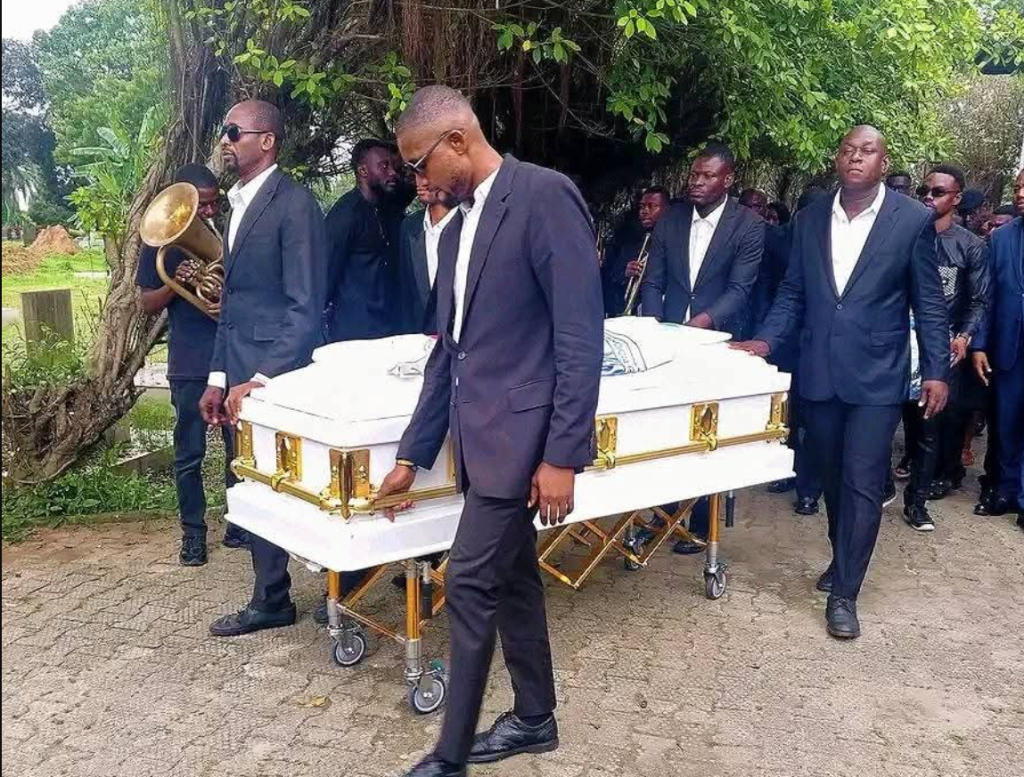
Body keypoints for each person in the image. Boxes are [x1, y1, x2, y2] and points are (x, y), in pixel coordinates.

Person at [376, 85, 603, 777]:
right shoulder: (454, 229)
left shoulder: (544, 196)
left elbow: (579, 337)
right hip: (480, 446)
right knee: (512, 580)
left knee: (470, 583)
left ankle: (450, 756)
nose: (417, 180)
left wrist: (563, 454)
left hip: (526, 444)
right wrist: (412, 456)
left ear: (457, 140)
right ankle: (534, 717)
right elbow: (448, 354)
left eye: (420, 164)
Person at [732, 126, 949, 639]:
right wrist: (764, 341)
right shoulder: (809, 219)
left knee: (861, 481)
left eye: (867, 151)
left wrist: (936, 371)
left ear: (883, 162)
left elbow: (929, 302)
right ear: (837, 159)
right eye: (848, 150)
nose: (856, 157)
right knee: (830, 476)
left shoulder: (911, 220)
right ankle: (842, 555)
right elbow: (793, 293)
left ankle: (845, 594)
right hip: (820, 372)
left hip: (878, 375)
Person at [198, 100, 329, 637]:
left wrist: (262, 378)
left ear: (267, 140)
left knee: (297, 485)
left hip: (278, 379)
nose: (225, 141)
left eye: (234, 132)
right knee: (251, 486)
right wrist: (217, 377)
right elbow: (232, 305)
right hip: (238, 377)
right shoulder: (237, 205)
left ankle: (343, 587)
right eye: (225, 132)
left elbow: (306, 308)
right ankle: (271, 598)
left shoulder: (295, 204)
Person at [641, 143, 765, 550]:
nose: (696, 182)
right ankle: (661, 514)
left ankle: (699, 524)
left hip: (716, 340)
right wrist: (656, 327)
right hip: (666, 340)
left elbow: (740, 290)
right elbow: (653, 280)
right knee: (664, 428)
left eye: (707, 176)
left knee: (707, 433)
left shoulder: (748, 225)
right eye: (694, 174)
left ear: (727, 180)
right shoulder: (671, 219)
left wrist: (696, 328)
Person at [136, 164, 248, 565]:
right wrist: (177, 283)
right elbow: (146, 304)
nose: (210, 211)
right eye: (203, 205)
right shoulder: (159, 244)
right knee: (189, 455)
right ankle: (193, 535)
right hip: (189, 361)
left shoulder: (232, 232)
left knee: (240, 450)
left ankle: (240, 524)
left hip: (232, 357)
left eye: (215, 203)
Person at [898, 165, 990, 531]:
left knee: (929, 427)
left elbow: (979, 300)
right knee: (885, 420)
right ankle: (878, 488)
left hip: (939, 345)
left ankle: (917, 503)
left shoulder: (970, 246)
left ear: (956, 198)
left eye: (937, 192)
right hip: (895, 343)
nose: (928, 197)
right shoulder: (900, 234)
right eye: (924, 191)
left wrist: (964, 336)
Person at [972, 169, 1024, 531]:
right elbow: (987, 297)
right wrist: (978, 344)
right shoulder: (1002, 238)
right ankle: (1005, 491)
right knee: (1006, 424)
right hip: (1008, 348)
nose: (1020, 193)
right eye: (1019, 186)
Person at [324, 139, 406, 341]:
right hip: (355, 331)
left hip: (393, 326)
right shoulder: (345, 214)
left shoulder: (390, 210)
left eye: (393, 167)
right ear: (363, 171)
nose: (392, 173)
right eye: (384, 166)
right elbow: (326, 273)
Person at [396, 181, 458, 335]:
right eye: (415, 173)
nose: (420, 181)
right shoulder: (410, 227)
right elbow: (406, 294)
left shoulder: (471, 220)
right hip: (423, 338)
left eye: (427, 171)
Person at [601, 187, 670, 317]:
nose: (644, 211)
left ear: (666, 210)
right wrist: (625, 273)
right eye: (642, 206)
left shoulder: (675, 243)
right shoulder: (632, 243)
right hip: (630, 314)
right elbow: (611, 278)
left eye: (652, 206)